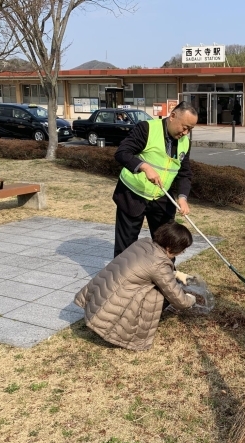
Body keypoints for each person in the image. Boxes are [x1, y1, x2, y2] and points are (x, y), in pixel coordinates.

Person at [74, 222, 197, 351]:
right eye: (182, 249)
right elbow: (179, 300)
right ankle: (122, 331)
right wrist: (190, 299)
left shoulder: (145, 243)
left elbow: (144, 268)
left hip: (99, 301)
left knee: (162, 284)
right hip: (111, 311)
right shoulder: (159, 264)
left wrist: (175, 273)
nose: (182, 252)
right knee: (161, 294)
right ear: (170, 247)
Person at [113, 101, 198, 257]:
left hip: (162, 197)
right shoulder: (147, 128)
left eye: (190, 130)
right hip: (133, 195)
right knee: (126, 248)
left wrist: (183, 197)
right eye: (185, 127)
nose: (186, 133)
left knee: (167, 246)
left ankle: (164, 278)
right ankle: (122, 280)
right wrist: (144, 167)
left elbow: (184, 173)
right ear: (173, 116)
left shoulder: (185, 142)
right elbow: (122, 153)